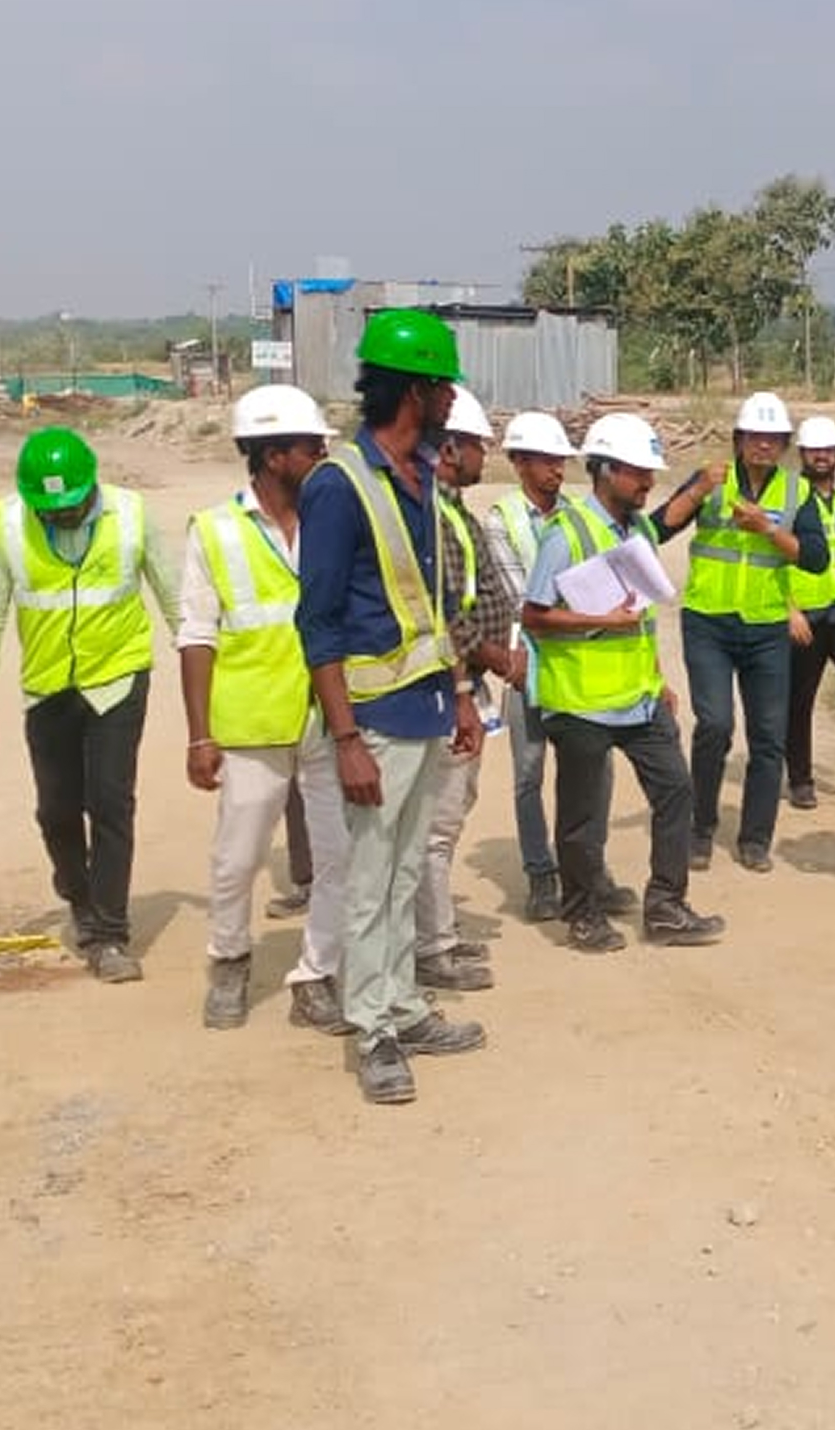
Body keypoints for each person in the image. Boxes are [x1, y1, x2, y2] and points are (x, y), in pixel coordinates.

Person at [295, 309, 490, 1106]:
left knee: (405, 872)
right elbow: (319, 623)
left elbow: (433, 606)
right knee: (371, 879)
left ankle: (403, 1006)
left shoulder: (424, 476)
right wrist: (345, 737)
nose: (451, 400)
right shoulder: (338, 486)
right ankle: (372, 1028)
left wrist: (461, 695)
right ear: (414, 391)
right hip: (373, 722)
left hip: (428, 709)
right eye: (443, 386)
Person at [0, 426, 176, 984]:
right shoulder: (7, 524)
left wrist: (208, 671)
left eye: (70, 506)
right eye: (49, 509)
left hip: (118, 678)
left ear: (91, 486)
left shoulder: (132, 514)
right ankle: (78, 894)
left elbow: (176, 598)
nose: (60, 515)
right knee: (56, 810)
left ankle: (109, 934)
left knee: (111, 803)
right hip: (48, 685)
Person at [175, 385, 354, 1033]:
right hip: (252, 720)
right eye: (312, 448)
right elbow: (197, 635)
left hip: (328, 716)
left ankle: (316, 974)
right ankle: (229, 960)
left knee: (339, 856)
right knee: (238, 857)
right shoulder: (215, 530)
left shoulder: (335, 521)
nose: (323, 458)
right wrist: (200, 736)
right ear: (274, 456)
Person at [519, 412, 728, 955]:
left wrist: (657, 677)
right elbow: (533, 615)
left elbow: (641, 615)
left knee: (676, 790)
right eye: (638, 472)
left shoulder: (639, 530)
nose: (647, 482)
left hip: (639, 698)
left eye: (650, 472)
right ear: (606, 470)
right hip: (581, 702)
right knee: (582, 818)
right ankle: (583, 914)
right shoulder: (566, 534)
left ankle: (666, 907)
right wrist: (599, 621)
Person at [678, 390, 827, 873]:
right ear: (739, 439)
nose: (764, 445)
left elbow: (816, 557)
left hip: (766, 629)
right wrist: (697, 492)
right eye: (755, 436)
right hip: (709, 621)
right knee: (715, 725)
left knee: (768, 736)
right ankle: (700, 829)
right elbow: (659, 527)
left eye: (774, 438)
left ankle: (755, 839)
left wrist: (767, 529)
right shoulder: (712, 479)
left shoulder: (797, 492)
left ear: (785, 445)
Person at [412, 387, 519, 994]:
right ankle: (431, 948)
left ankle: (438, 932)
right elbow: (447, 613)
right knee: (436, 826)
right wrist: (494, 656)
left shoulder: (450, 510)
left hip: (468, 684)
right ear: (451, 449)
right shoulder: (433, 515)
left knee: (446, 822)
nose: (485, 456)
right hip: (449, 688)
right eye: (479, 445)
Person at [484, 409, 580, 920]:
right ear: (519, 462)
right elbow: (520, 598)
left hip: (576, 661)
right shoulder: (501, 519)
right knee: (529, 772)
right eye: (546, 460)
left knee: (586, 770)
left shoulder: (577, 514)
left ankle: (584, 867)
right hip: (526, 661)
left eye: (560, 460)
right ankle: (541, 874)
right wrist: (579, 612)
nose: (557, 469)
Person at [782, 414, 835, 815]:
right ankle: (800, 781)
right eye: (814, 450)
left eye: (828, 450)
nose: (822, 456)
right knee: (799, 703)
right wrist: (789, 609)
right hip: (805, 616)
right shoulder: (789, 499)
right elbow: (771, 558)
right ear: (802, 454)